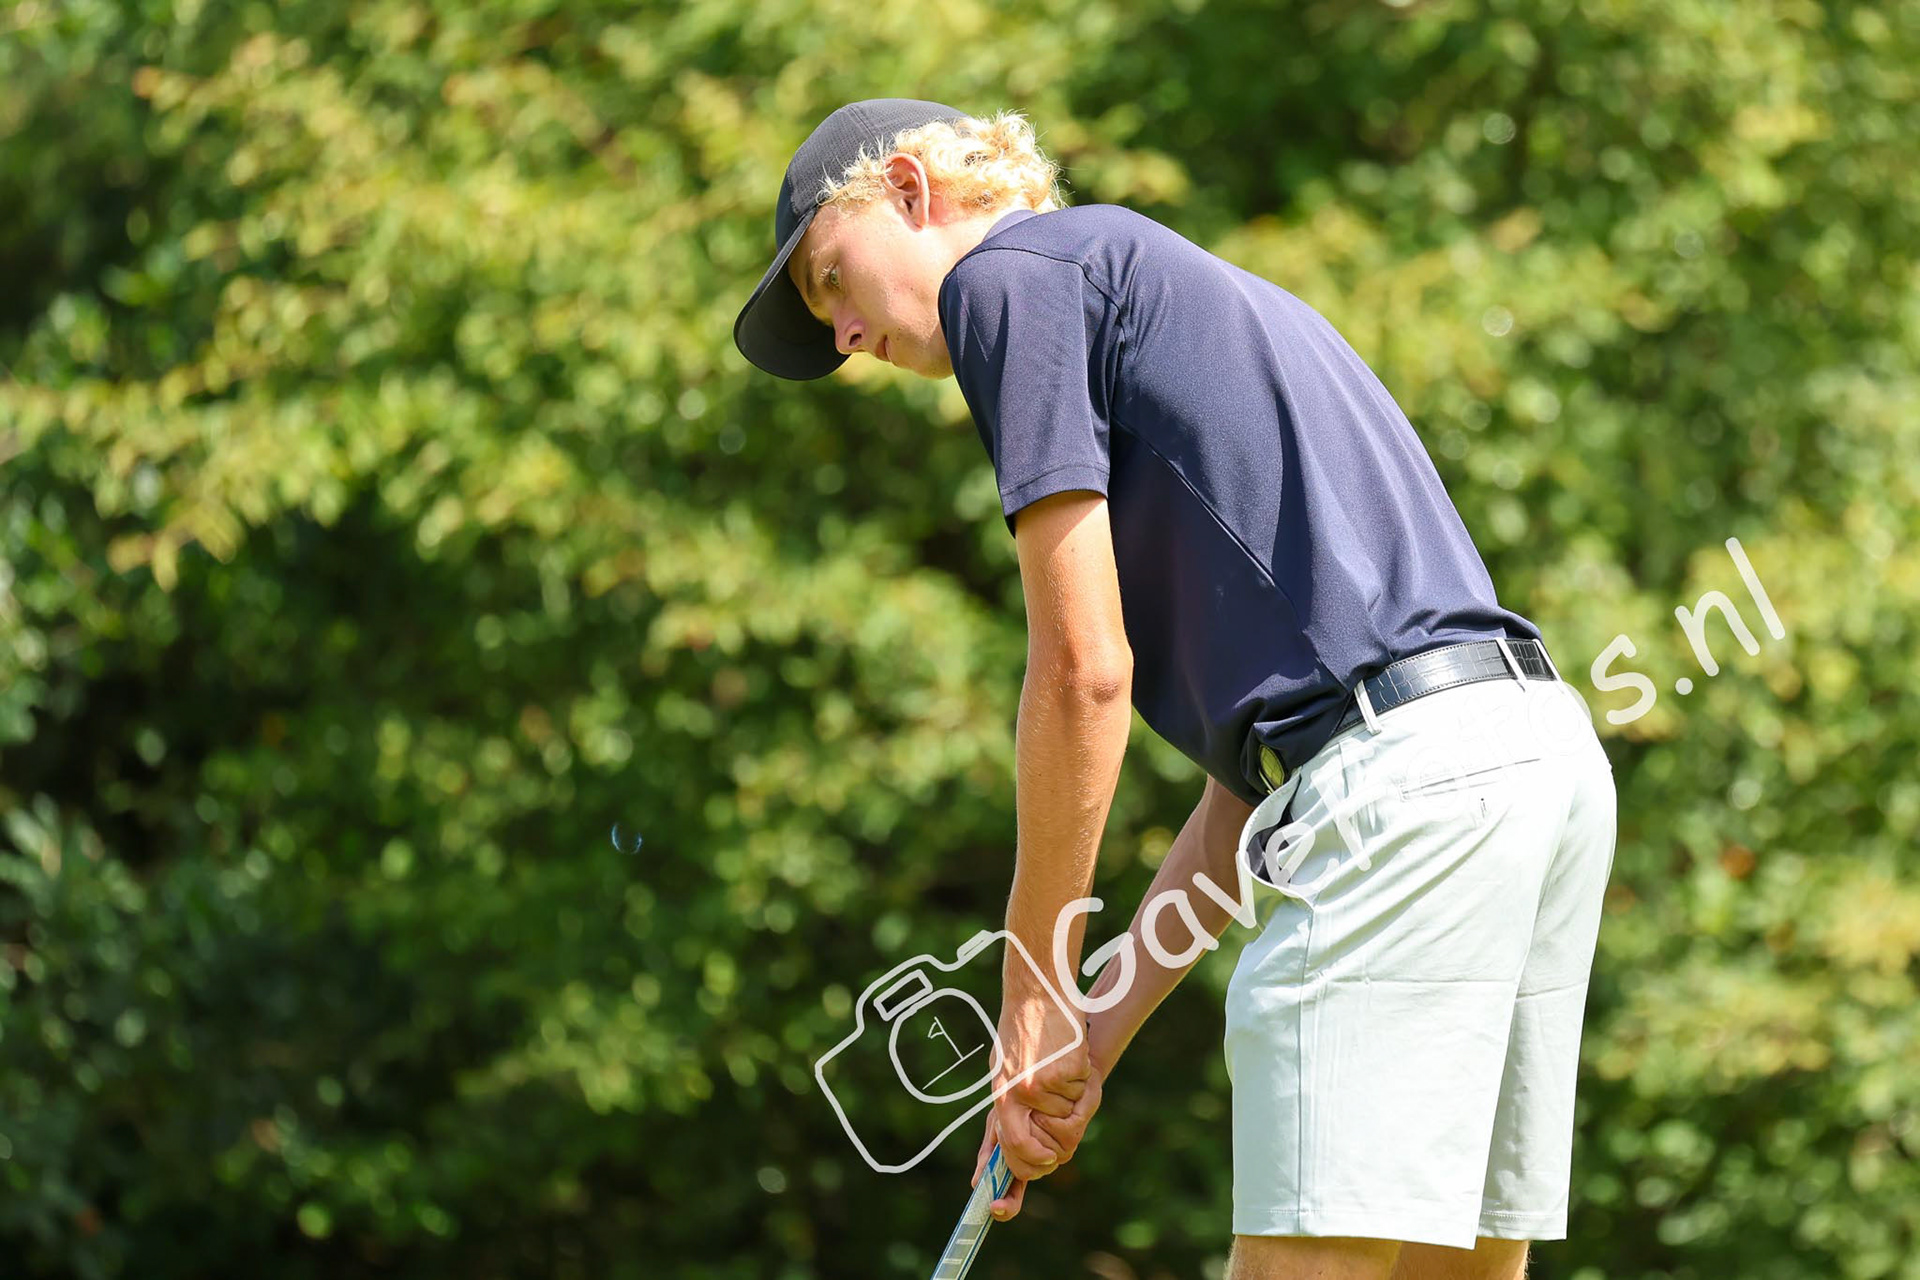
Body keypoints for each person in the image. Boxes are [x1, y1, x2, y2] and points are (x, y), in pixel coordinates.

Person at [732, 98, 1618, 1280]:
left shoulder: (1009, 281)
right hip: (1523, 761)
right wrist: (1091, 1031)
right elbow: (1266, 776)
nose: (841, 333)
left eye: (833, 280)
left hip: (1404, 789)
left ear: (908, 189)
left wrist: (1031, 987)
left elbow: (1083, 672)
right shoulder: (1157, 286)